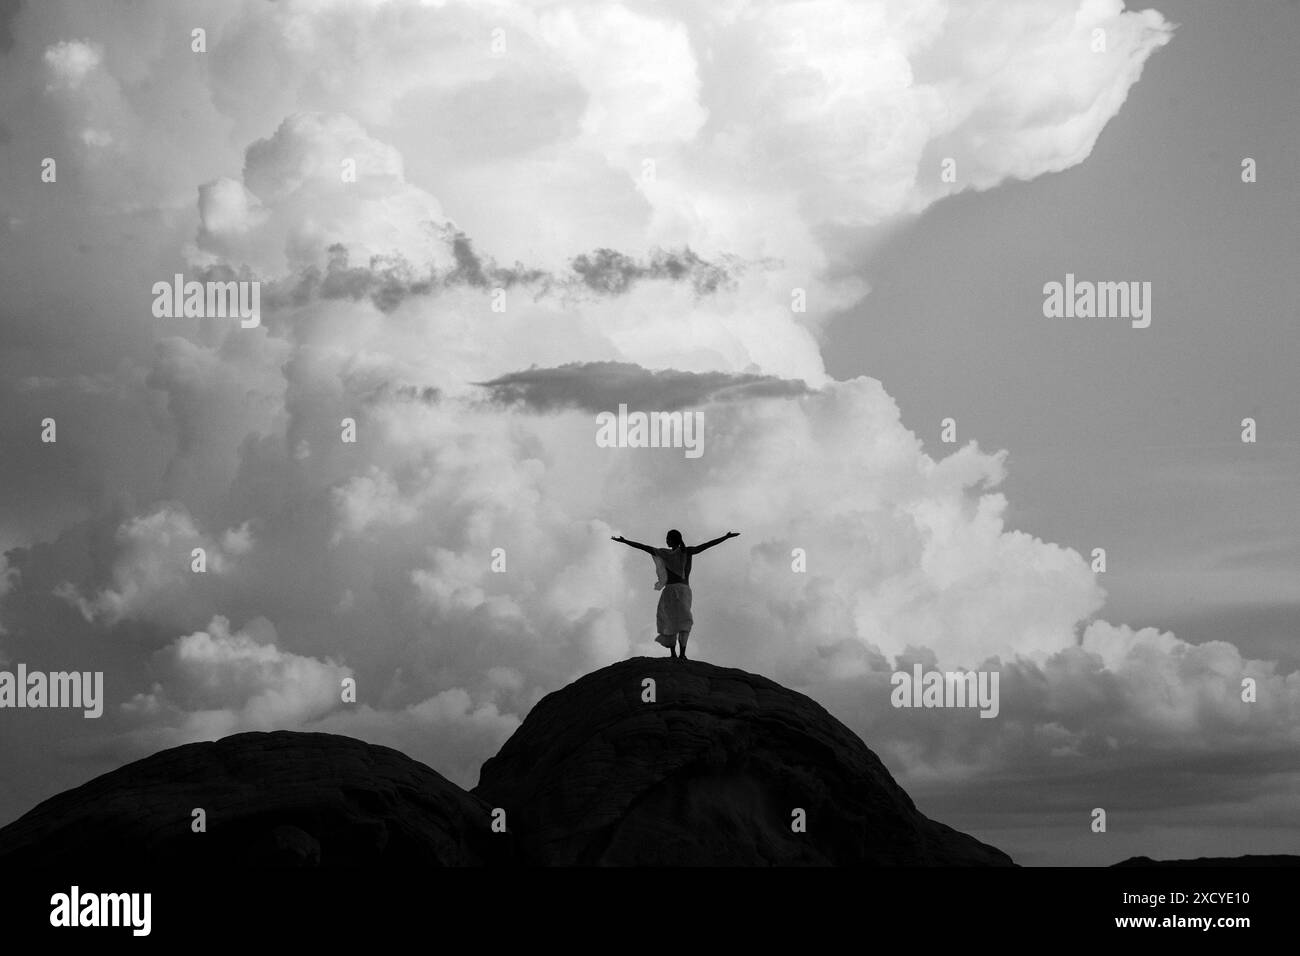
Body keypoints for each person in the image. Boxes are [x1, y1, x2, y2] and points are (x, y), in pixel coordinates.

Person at [611, 529, 740, 660]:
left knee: (682, 621)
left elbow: (707, 545)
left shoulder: (686, 551)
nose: (666, 540)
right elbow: (644, 547)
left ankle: (682, 654)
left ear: (674, 540)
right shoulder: (666, 552)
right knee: (670, 621)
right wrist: (625, 541)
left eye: (668, 538)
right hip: (673, 590)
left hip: (681, 590)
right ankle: (674, 654)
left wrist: (725, 537)